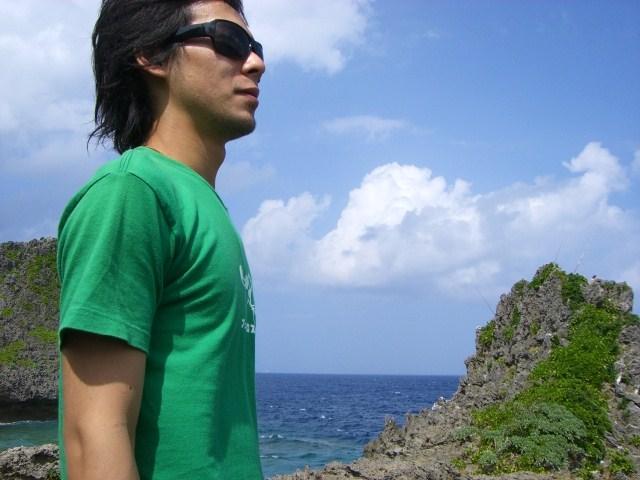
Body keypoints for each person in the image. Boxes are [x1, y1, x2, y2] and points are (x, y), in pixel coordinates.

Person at [56, 0, 266, 478]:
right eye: (230, 41)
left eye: (255, 46)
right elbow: (94, 435)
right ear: (151, 54)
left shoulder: (202, 205)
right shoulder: (131, 193)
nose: (256, 62)